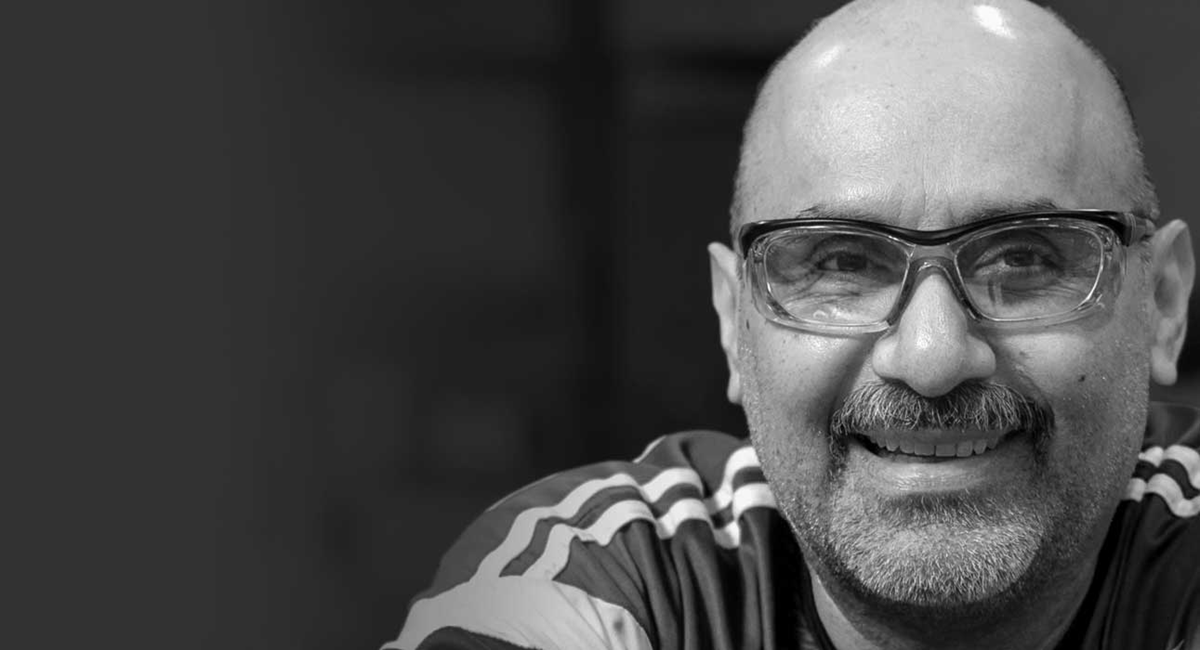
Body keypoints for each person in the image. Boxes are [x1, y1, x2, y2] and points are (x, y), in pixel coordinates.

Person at [386, 0, 1199, 648]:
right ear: (733, 320)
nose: (931, 357)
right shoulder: (596, 581)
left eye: (1024, 259)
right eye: (841, 264)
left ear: (1163, 304)